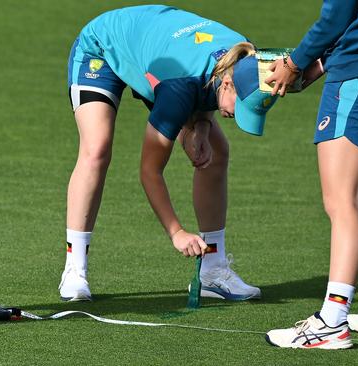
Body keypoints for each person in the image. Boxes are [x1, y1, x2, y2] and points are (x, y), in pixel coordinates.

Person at [59, 5, 279, 302]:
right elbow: (150, 172)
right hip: (103, 47)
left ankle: (213, 270)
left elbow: (206, 81)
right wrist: (176, 232)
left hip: (162, 54)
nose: (235, 115)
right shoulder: (180, 89)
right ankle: (74, 269)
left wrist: (200, 125)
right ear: (227, 83)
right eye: (239, 107)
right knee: (96, 149)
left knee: (216, 151)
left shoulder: (246, 60)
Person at [265, 0, 358, 349]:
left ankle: (332, 321)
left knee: (342, 200)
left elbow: (336, 17)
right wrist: (324, 60)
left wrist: (293, 63)